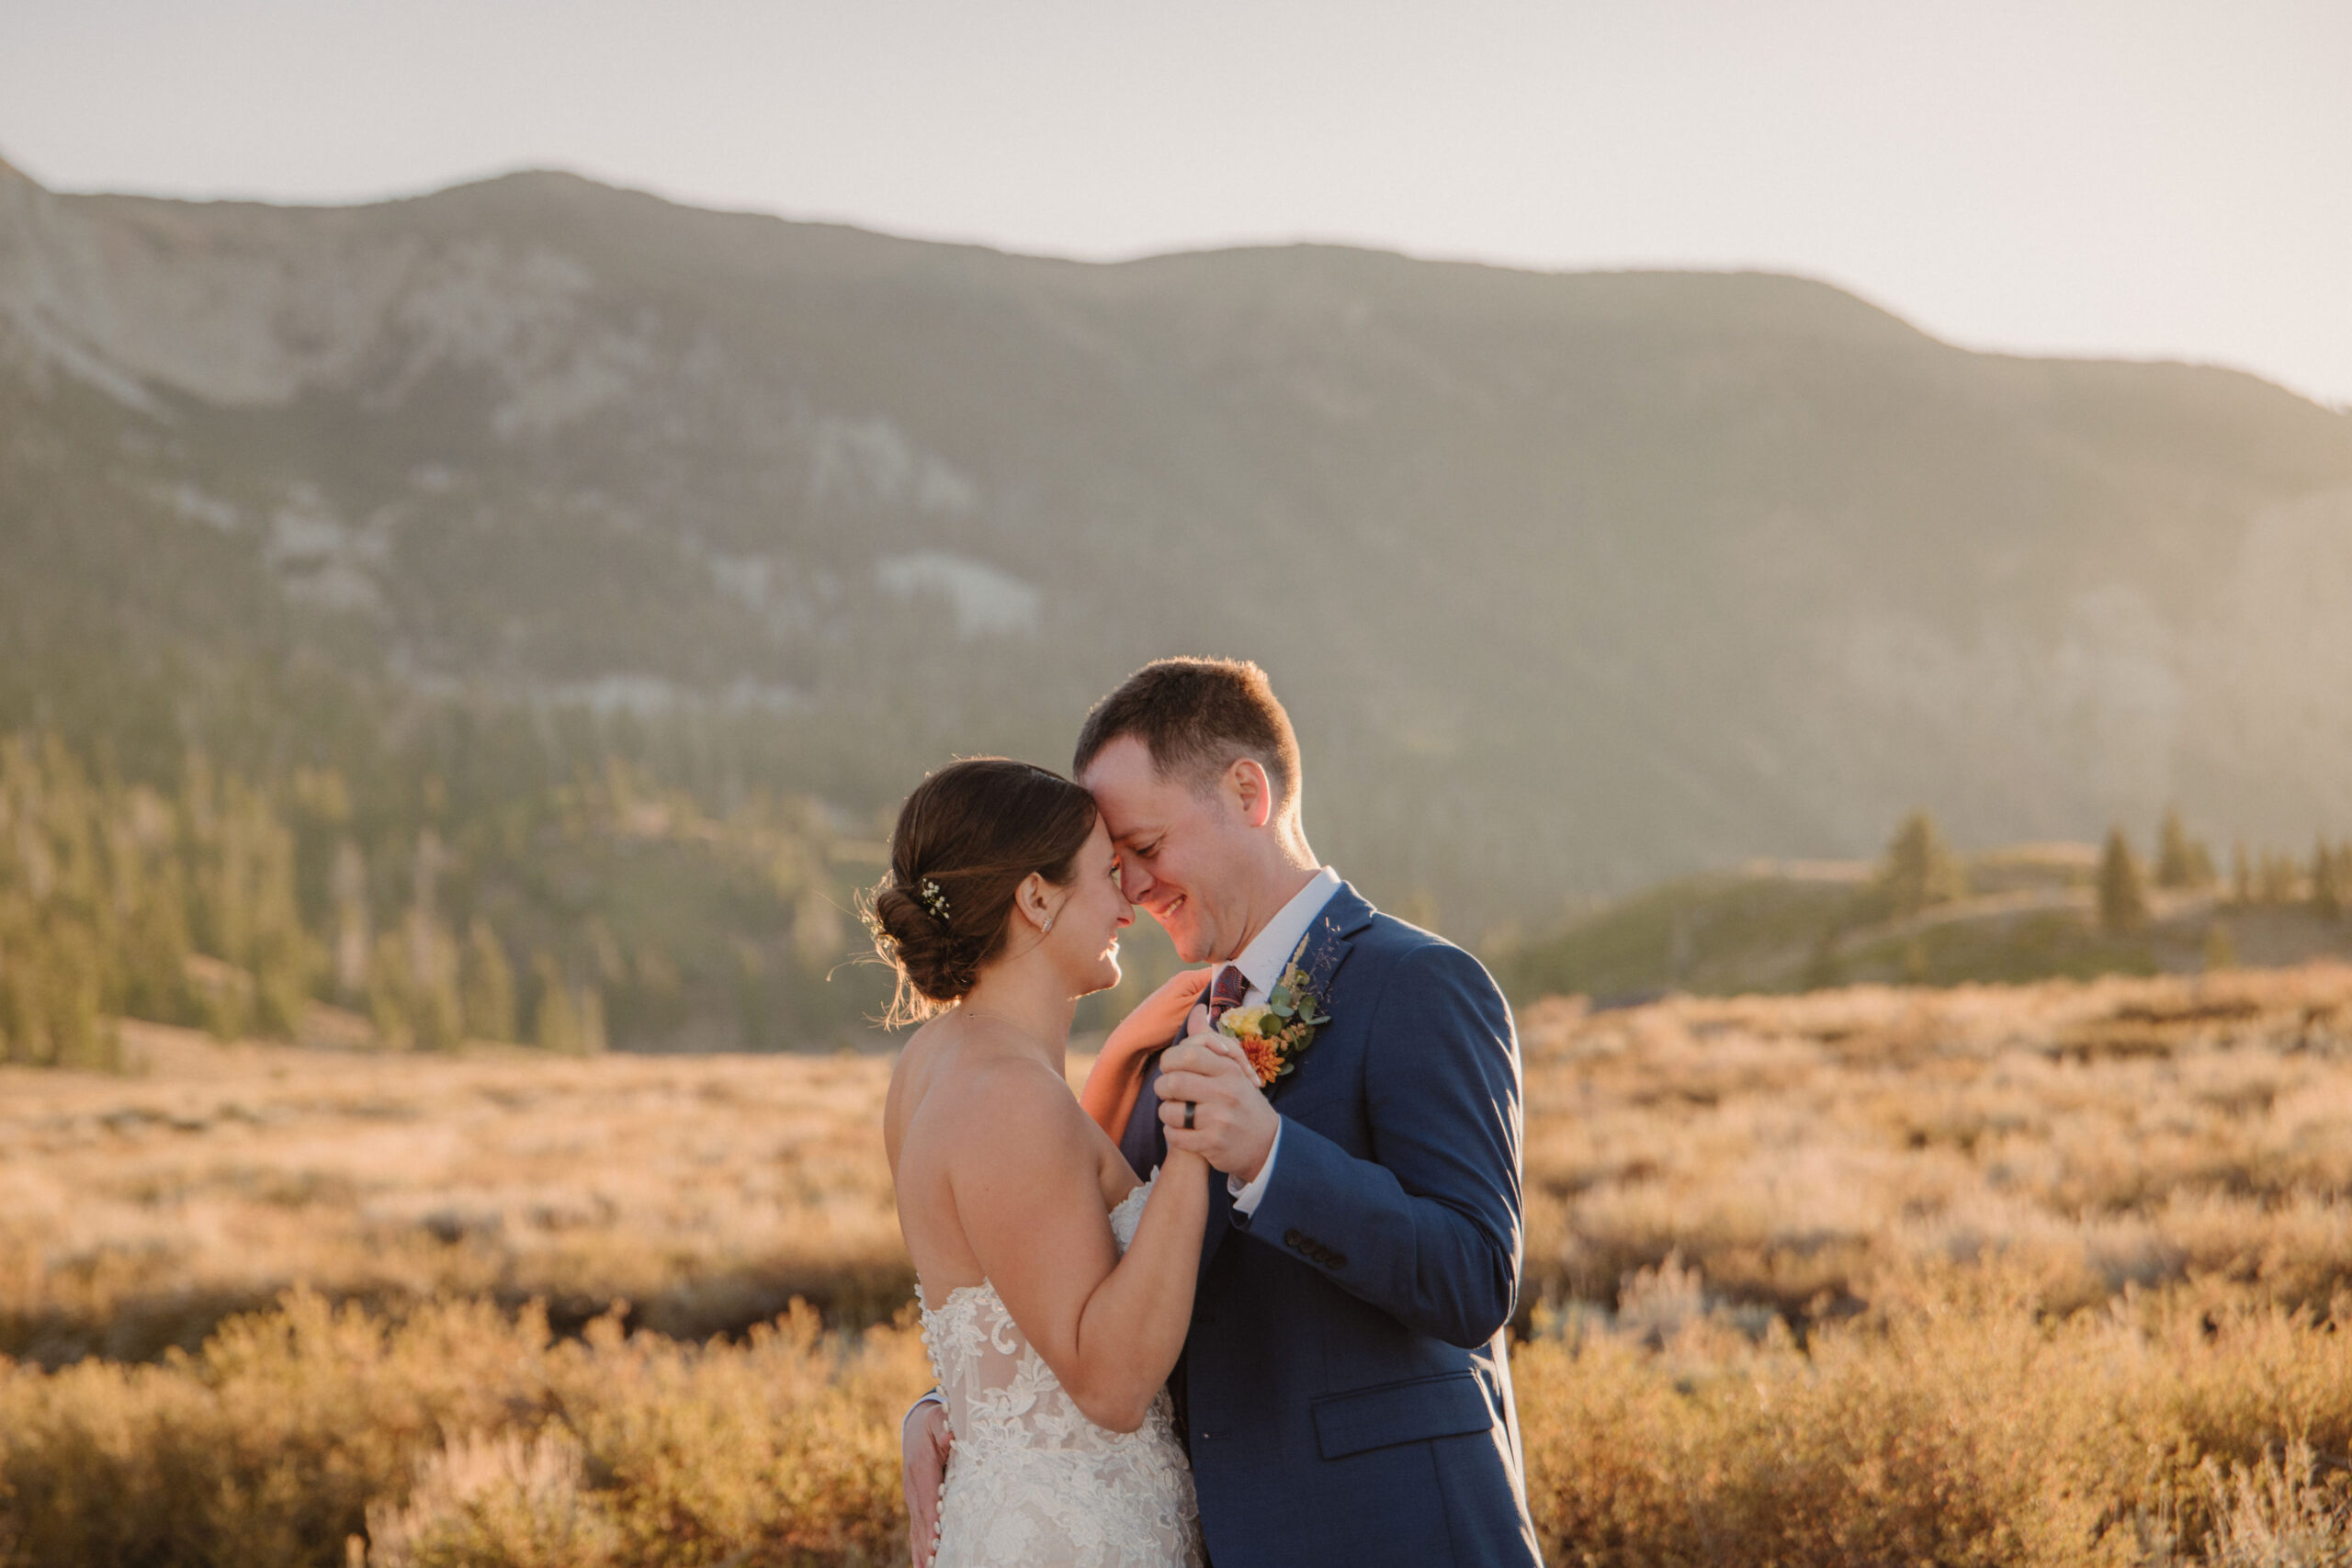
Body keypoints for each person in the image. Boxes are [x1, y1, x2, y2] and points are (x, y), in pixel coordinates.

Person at [904, 660, 1542, 1568]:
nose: (1130, 888)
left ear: (1247, 792)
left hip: (1396, 1537)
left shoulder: (1417, 984)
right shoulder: (1166, 1036)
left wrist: (1273, 1155)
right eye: (1115, 863)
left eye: (1148, 847)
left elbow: (1475, 1278)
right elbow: (1093, 1283)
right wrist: (952, 1405)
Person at [878, 756, 1243, 1568]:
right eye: (1108, 874)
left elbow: (1002, 1312)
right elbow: (1110, 1386)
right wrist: (1192, 1139)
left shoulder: (935, 1061)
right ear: (1036, 898)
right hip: (1073, 1538)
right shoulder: (1008, 1094)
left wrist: (934, 1407)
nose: (1128, 905)